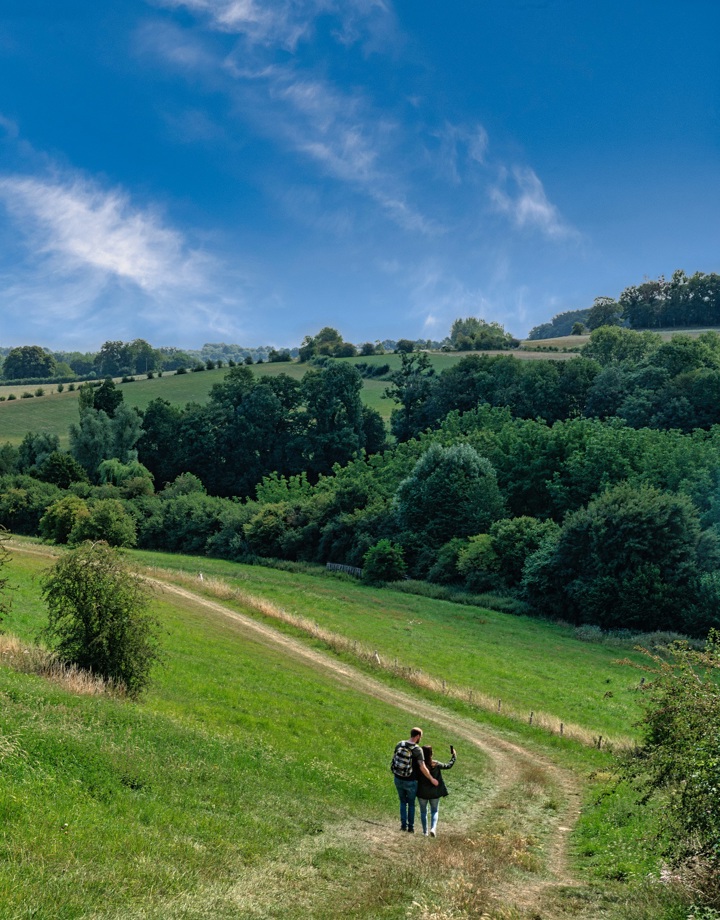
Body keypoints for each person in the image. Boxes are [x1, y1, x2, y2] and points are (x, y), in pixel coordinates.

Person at [391, 727, 439, 833]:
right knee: (411, 804)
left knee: (403, 802)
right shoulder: (417, 749)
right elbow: (422, 766)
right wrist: (431, 779)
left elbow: (394, 758)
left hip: (398, 778)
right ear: (417, 736)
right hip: (411, 780)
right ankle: (411, 828)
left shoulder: (400, 744)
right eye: (420, 737)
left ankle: (403, 826)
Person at [416, 744, 456, 837]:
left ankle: (425, 832)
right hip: (434, 792)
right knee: (434, 811)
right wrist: (454, 756)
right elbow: (448, 766)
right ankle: (433, 828)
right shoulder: (436, 764)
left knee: (423, 812)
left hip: (422, 792)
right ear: (431, 754)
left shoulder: (419, 765)